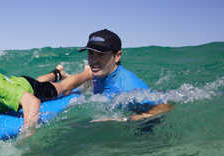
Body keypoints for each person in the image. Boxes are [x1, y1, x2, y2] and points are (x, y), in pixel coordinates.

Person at [0, 30, 92, 137]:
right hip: (17, 84)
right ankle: (57, 73)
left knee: (63, 89)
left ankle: (87, 73)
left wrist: (27, 135)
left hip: (31, 89)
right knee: (39, 81)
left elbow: (32, 102)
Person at [45, 29, 174, 122]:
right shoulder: (99, 72)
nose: (94, 60)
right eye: (91, 53)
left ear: (117, 56)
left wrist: (125, 119)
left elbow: (166, 106)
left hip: (144, 125)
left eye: (101, 54)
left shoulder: (128, 84)